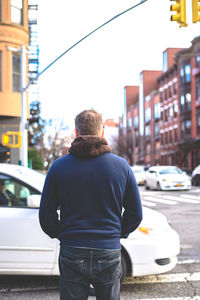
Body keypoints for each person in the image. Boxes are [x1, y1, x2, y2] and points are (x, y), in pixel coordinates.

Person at [39, 109, 142, 300]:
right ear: (101, 132)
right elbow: (135, 214)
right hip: (108, 248)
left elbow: (46, 216)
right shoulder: (121, 167)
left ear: (76, 133)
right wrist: (117, 232)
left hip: (72, 248)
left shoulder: (58, 167)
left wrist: (62, 233)